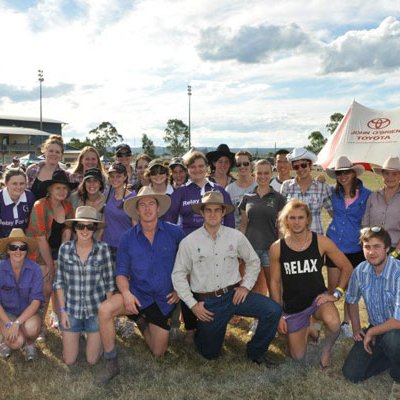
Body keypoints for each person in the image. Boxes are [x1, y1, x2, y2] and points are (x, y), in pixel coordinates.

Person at [172, 191, 281, 363]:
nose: (213, 214)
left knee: (273, 310)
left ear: (223, 212)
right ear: (202, 212)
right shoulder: (189, 242)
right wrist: (193, 306)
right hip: (209, 303)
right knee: (210, 353)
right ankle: (206, 332)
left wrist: (245, 286)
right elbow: (178, 275)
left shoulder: (235, 236)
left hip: (234, 295)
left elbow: (253, 261)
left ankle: (256, 351)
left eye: (217, 210)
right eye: (208, 210)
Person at [96, 187, 184, 384]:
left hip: (163, 299)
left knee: (158, 352)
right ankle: (110, 361)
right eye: (142, 205)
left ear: (158, 207)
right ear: (137, 210)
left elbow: (188, 262)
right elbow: (121, 272)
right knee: (104, 310)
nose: (147, 208)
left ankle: (140, 320)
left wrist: (180, 287)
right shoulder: (127, 237)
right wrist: (126, 293)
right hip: (137, 294)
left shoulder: (175, 232)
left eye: (151, 203)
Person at [269, 199, 352, 369]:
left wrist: (336, 293)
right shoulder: (277, 248)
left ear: (308, 219)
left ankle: (326, 350)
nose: (297, 222)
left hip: (318, 300)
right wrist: (279, 314)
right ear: (286, 221)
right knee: (297, 358)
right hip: (294, 306)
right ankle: (308, 326)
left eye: (301, 217)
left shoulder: (321, 241)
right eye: (292, 218)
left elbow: (347, 267)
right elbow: (275, 282)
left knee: (334, 322)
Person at [342, 227, 400, 399]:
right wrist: (357, 329)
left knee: (392, 340)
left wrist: (372, 332)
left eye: (377, 246)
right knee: (352, 373)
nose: (372, 252)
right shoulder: (360, 270)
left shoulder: (398, 273)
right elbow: (351, 299)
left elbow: (398, 321)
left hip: (396, 329)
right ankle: (390, 357)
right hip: (378, 327)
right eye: (367, 247)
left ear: (387, 248)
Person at [54, 206, 114, 366]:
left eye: (90, 226)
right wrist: (62, 312)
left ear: (95, 229)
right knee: (69, 360)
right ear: (74, 228)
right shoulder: (64, 249)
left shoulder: (103, 249)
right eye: (81, 226)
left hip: (95, 312)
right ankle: (81, 336)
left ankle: (98, 338)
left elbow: (109, 283)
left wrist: (107, 316)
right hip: (72, 311)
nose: (85, 230)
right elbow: (59, 282)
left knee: (92, 360)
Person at [26, 170, 78, 334]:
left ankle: (57, 316)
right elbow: (40, 239)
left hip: (59, 251)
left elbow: (67, 232)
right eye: (58, 188)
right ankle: (38, 325)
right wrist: (51, 265)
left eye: (64, 188)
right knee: (46, 287)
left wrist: (61, 260)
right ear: (50, 190)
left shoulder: (68, 206)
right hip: (40, 252)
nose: (62, 192)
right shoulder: (40, 206)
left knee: (60, 285)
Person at [324, 156, 371, 337]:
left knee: (351, 290)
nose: (342, 176)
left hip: (355, 247)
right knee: (332, 288)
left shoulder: (367, 195)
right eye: (339, 173)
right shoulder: (332, 193)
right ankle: (329, 320)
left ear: (353, 173)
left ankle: (346, 322)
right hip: (335, 245)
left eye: (346, 172)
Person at [0, 228, 43, 360]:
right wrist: (8, 323)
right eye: (13, 247)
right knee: (16, 342)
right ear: (8, 250)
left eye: (22, 247)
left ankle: (29, 343)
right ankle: (5, 341)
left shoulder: (35, 269)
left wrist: (17, 323)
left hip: (28, 314)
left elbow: (36, 302)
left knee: (32, 327)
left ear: (26, 250)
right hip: (7, 315)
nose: (18, 251)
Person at [281, 147, 332, 235]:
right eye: (296, 166)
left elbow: (333, 214)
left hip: (315, 238)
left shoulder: (323, 187)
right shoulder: (286, 186)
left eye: (304, 165)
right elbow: (282, 215)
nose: (300, 169)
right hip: (292, 239)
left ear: (310, 165)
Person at [362, 156, 400, 257]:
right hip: (373, 250)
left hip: (396, 249)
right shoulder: (373, 196)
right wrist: (369, 247)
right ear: (382, 175)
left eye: (394, 174)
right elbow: (365, 224)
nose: (390, 177)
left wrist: (396, 253)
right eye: (386, 173)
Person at [101, 162, 136, 260]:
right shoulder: (107, 195)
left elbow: (135, 224)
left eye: (118, 176)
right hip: (106, 246)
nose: (115, 179)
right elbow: (105, 220)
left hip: (124, 247)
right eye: (112, 176)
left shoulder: (132, 198)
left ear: (125, 177)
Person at [26, 135, 71, 200]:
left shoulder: (66, 175)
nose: (54, 154)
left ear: (61, 155)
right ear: (44, 151)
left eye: (57, 152)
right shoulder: (32, 170)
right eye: (51, 151)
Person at [0, 168, 35, 239]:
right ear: (6, 183)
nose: (18, 187)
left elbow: (32, 224)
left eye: (22, 183)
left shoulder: (30, 197)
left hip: (23, 242)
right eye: (14, 183)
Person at [226, 150, 257, 229]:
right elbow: (227, 215)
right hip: (236, 233)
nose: (242, 166)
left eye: (245, 163)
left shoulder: (259, 185)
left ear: (251, 164)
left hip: (256, 233)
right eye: (238, 164)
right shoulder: (229, 189)